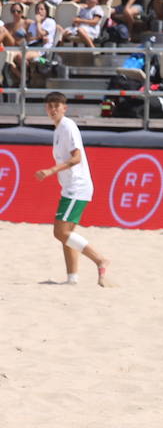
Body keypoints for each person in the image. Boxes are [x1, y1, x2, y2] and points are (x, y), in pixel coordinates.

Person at [35, 92, 111, 287]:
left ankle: (100, 260)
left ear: (64, 108)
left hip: (77, 187)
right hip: (70, 186)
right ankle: (72, 279)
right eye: (50, 106)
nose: (52, 110)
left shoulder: (68, 126)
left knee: (60, 232)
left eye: (56, 106)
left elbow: (76, 158)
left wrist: (51, 170)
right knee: (67, 235)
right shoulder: (58, 129)